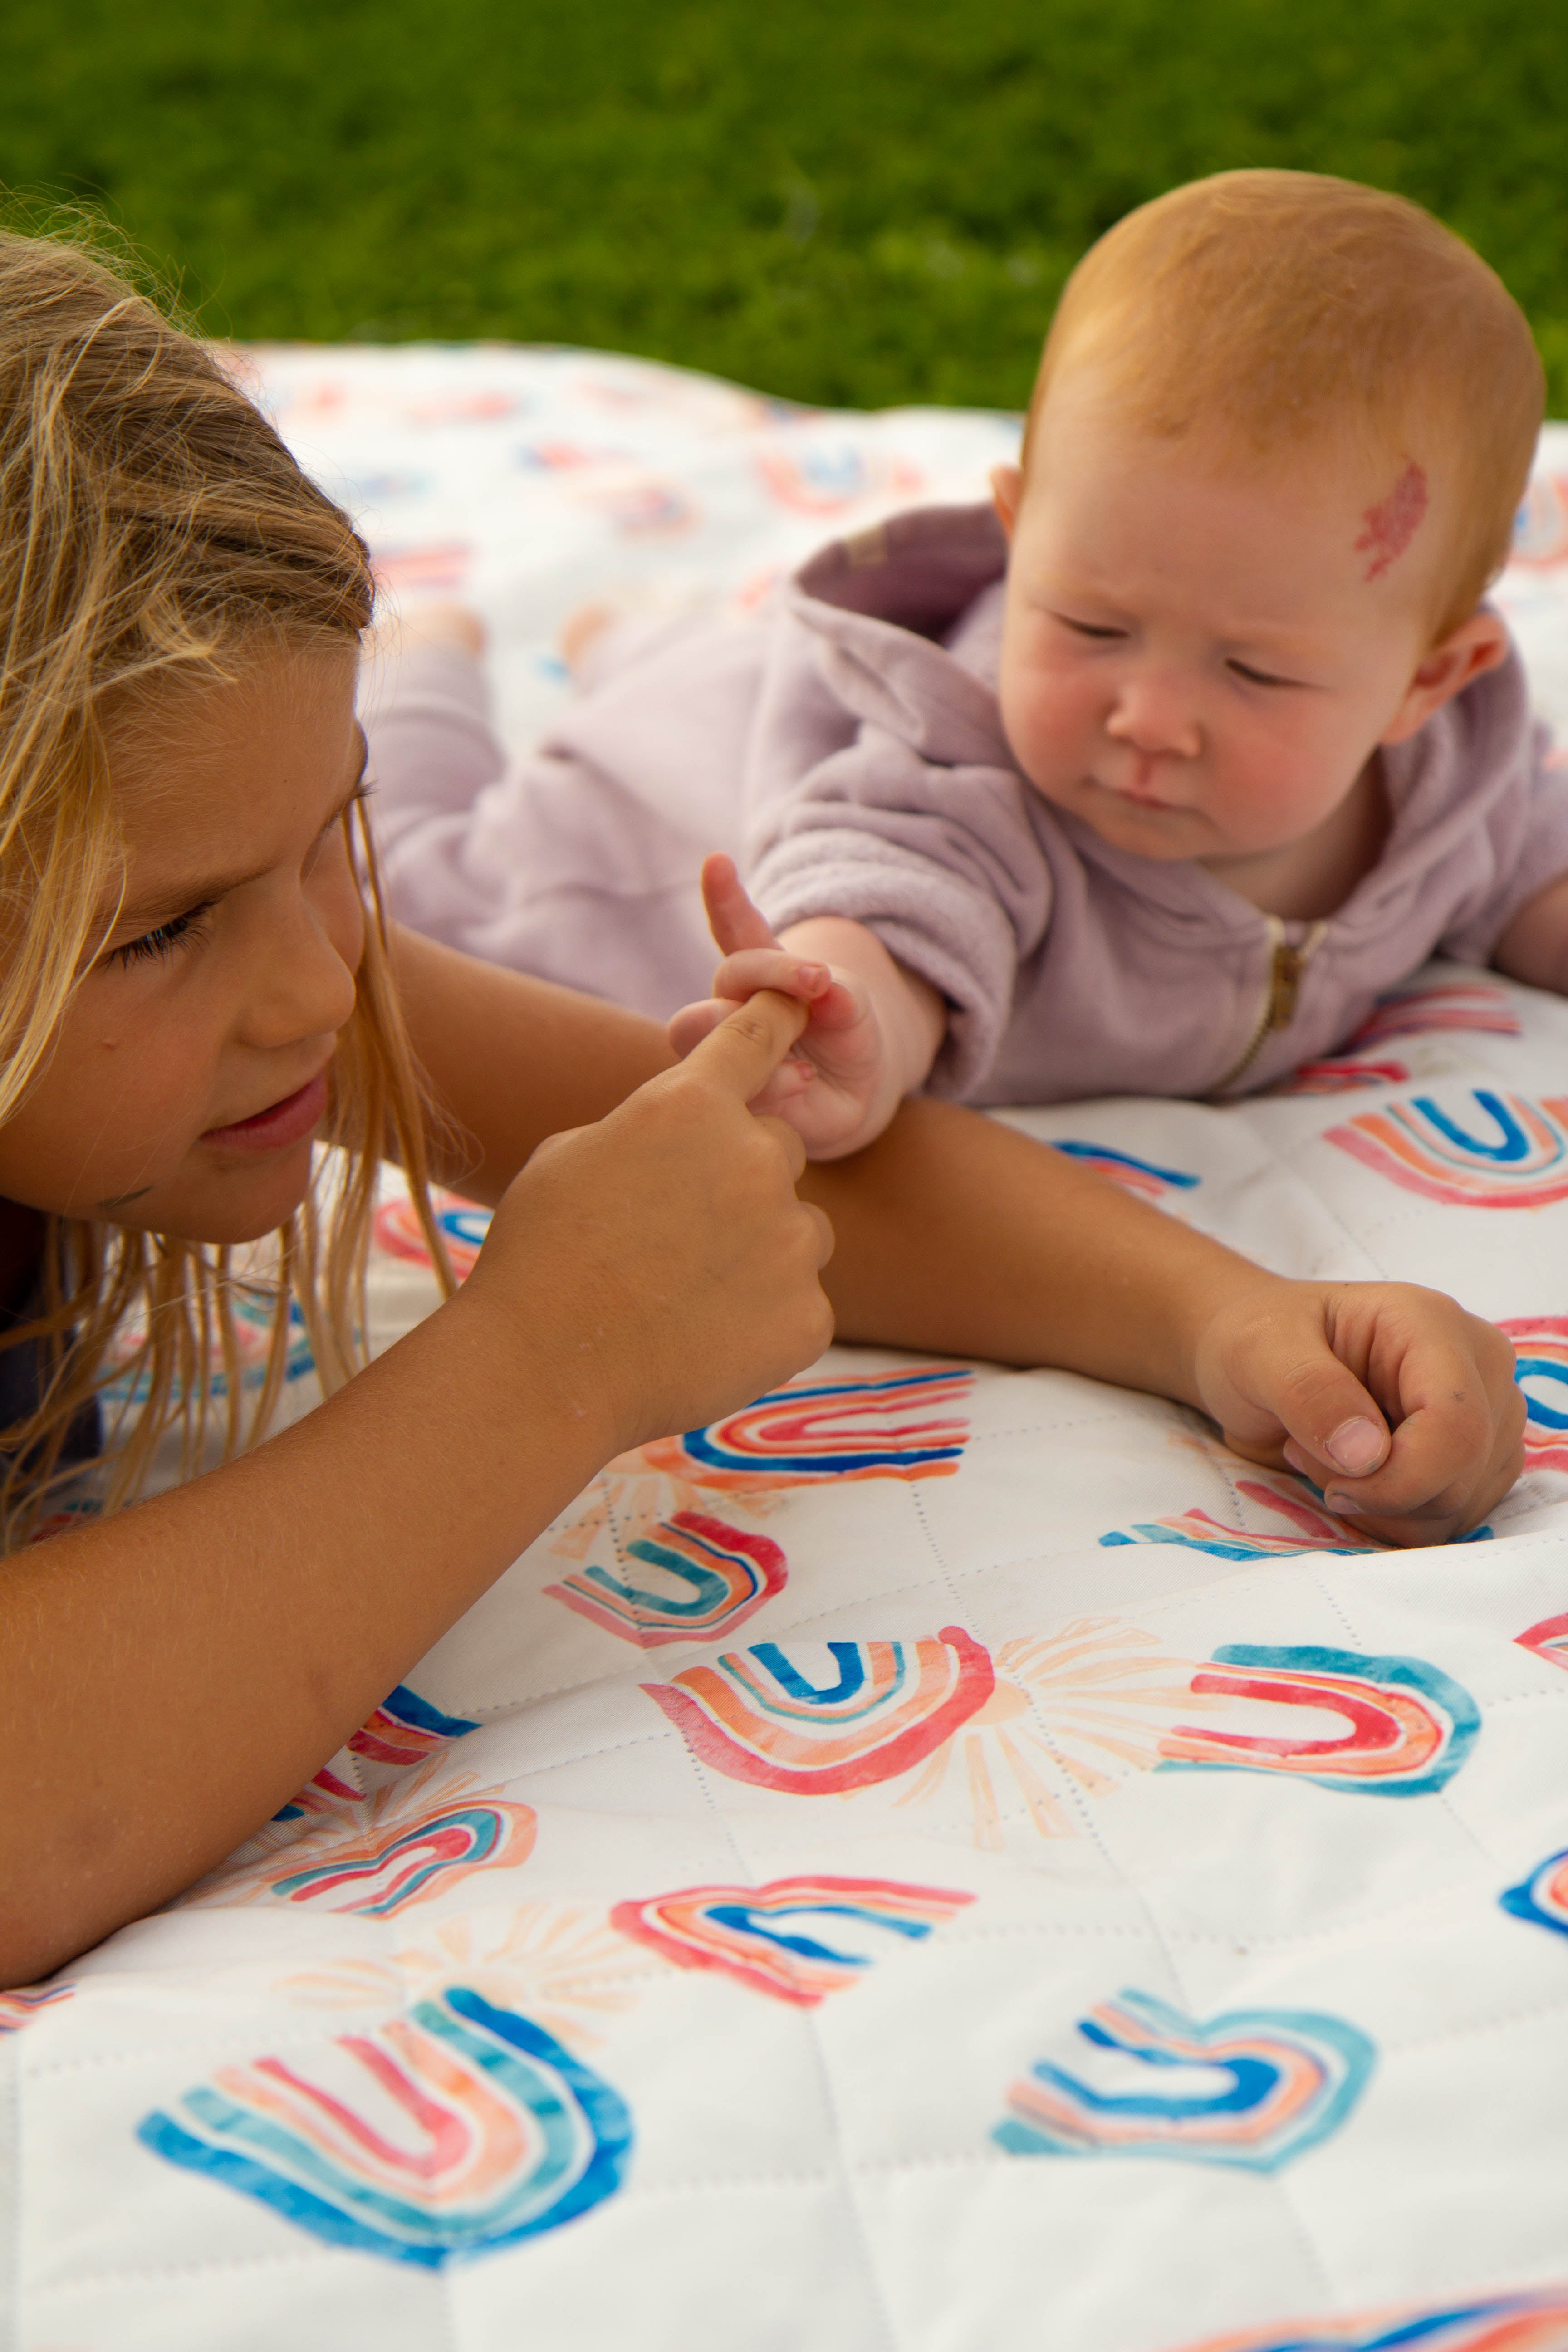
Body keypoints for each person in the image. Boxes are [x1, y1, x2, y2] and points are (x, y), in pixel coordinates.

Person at [0, 227, 1524, 1991]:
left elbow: (775, 1146)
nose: (310, 981)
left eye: (325, 841)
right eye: (167, 927)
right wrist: (546, 1361)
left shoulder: (262, 985)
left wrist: (1235, 1315)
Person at [366, 172, 1568, 1159]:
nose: (1150, 719)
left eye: (1253, 673)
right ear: (1018, 527)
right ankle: (422, 664)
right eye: (1092, 626)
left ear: (1428, 680)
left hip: (761, 699)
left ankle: (628, 634)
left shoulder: (1458, 782)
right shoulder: (965, 784)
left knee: (709, 667)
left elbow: (1530, 869)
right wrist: (845, 1024)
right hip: (647, 835)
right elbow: (888, 913)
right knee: (406, 896)